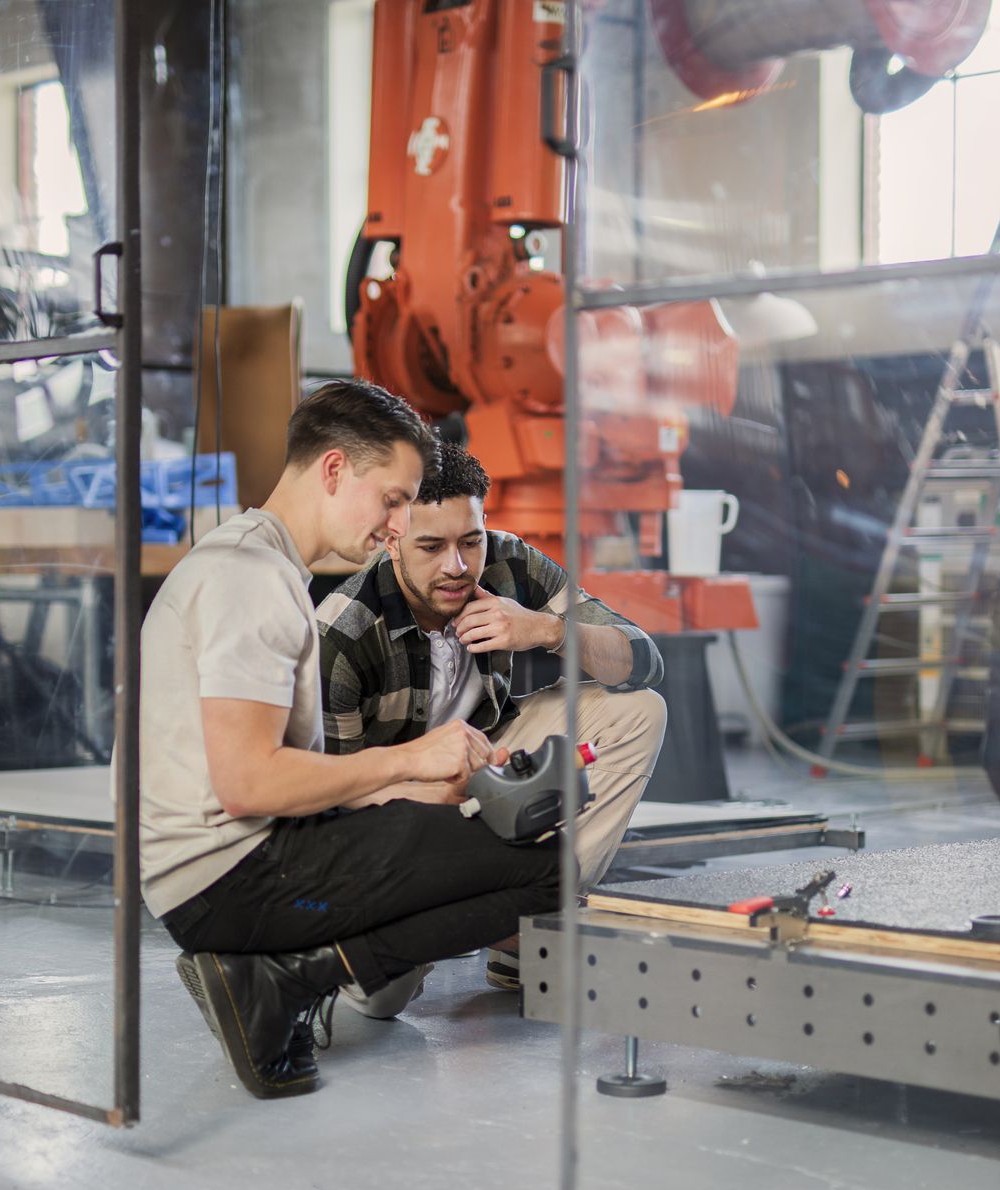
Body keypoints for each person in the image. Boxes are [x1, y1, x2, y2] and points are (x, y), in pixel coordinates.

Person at [127, 381, 559, 1101]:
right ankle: (281, 975)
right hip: (225, 880)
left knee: (450, 825)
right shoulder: (250, 580)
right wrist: (407, 760)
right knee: (546, 873)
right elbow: (248, 785)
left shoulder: (253, 560)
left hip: (214, 868)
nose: (396, 525)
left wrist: (406, 789)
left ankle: (279, 975)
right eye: (392, 499)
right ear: (333, 470)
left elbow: (262, 776)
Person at [315, 443, 666, 1000]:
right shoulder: (345, 630)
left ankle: (533, 918)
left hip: (489, 760)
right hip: (393, 804)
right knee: (383, 997)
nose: (457, 566)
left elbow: (644, 661)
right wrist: (433, 804)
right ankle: (488, 917)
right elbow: (333, 800)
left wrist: (548, 632)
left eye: (470, 540)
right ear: (391, 538)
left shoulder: (509, 563)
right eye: (430, 546)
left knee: (636, 710)